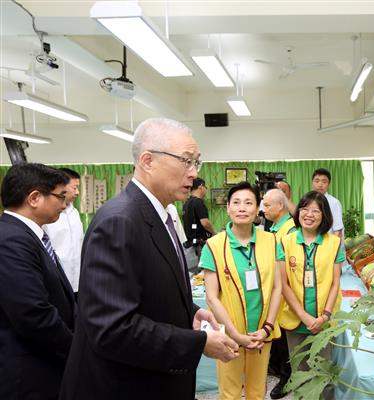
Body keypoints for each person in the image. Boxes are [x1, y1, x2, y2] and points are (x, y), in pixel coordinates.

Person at [60, 118, 238, 400]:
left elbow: (149, 289)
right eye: (186, 161)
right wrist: (198, 342)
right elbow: (112, 328)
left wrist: (190, 311)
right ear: (147, 161)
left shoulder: (159, 214)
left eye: (196, 162)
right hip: (125, 386)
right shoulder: (119, 221)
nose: (194, 173)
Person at [0, 163, 76, 400]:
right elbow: (33, 314)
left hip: (45, 363)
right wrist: (77, 350)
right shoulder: (11, 240)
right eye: (60, 196)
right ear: (34, 198)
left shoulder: (29, 235)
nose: (64, 204)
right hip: (28, 372)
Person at [201, 182, 282, 400]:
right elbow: (211, 297)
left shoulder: (271, 241)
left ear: (257, 209)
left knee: (257, 391)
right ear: (228, 207)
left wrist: (267, 328)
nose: (242, 208)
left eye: (248, 203)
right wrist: (235, 335)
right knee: (230, 392)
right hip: (230, 333)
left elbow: (278, 287)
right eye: (236, 203)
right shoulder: (214, 246)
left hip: (262, 332)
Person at [278, 191, 345, 400]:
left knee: (324, 375)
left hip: (323, 322)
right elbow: (283, 284)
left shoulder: (334, 243)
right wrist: (304, 317)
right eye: (305, 209)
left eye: (316, 211)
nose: (309, 214)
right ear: (298, 212)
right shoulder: (285, 242)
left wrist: (324, 316)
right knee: (300, 375)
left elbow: (335, 282)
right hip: (295, 320)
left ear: (324, 215)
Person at [262, 188, 296, 399]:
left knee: (284, 341)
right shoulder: (275, 228)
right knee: (276, 337)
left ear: (281, 205)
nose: (263, 209)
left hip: (285, 295)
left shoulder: (290, 230)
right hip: (273, 292)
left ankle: (287, 378)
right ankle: (275, 367)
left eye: (267, 205)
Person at [43, 167, 84, 298]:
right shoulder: (49, 214)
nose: (77, 192)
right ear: (62, 186)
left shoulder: (75, 212)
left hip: (77, 278)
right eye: (74, 188)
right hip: (57, 278)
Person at [182, 178, 214, 261]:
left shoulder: (186, 203)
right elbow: (205, 223)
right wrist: (214, 233)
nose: (206, 190)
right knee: (203, 266)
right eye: (205, 187)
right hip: (199, 244)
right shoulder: (198, 202)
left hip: (190, 243)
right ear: (201, 187)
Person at [311, 168, 344, 237]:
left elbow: (338, 231)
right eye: (317, 181)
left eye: (324, 182)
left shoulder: (334, 203)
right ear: (312, 183)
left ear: (328, 184)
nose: (320, 185)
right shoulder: (308, 201)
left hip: (329, 242)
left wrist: (333, 244)